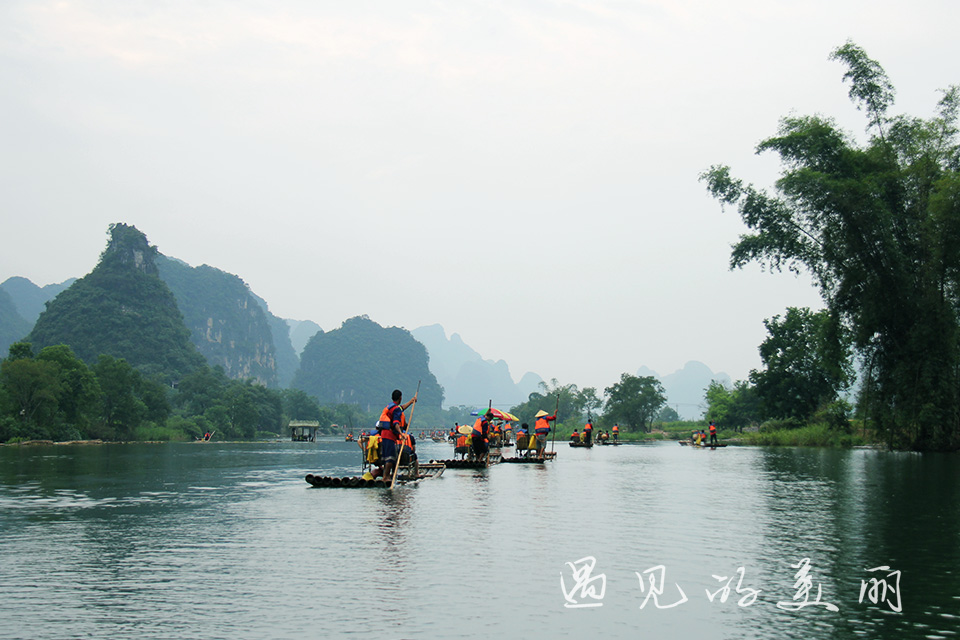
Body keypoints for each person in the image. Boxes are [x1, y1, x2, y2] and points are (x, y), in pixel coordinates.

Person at [377, 389, 417, 483]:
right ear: (400, 398)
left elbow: (401, 408)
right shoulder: (395, 409)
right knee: (390, 457)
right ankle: (386, 477)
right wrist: (401, 434)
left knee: (388, 456)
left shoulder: (391, 407)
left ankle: (387, 476)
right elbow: (396, 423)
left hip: (384, 434)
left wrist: (411, 402)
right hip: (390, 435)